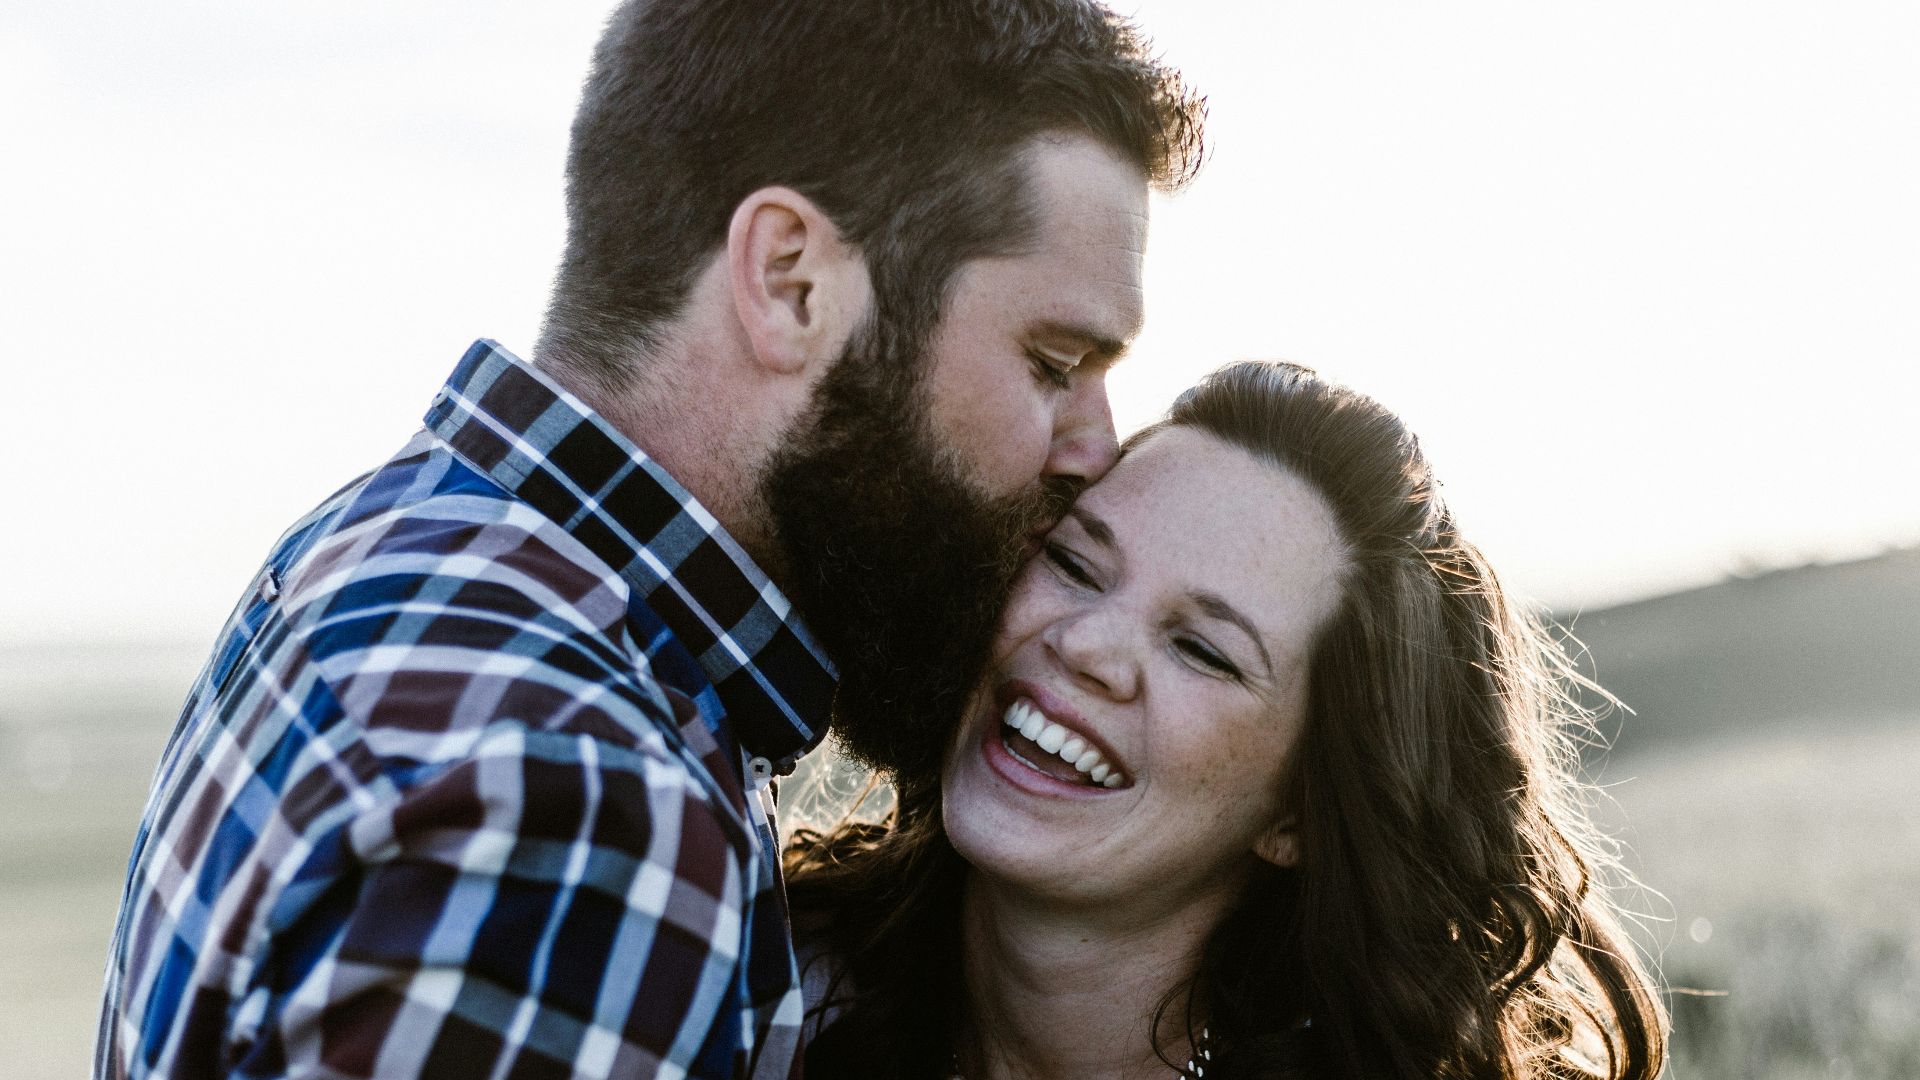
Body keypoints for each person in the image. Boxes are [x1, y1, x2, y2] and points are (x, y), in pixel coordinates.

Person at [95, 3, 1203, 1078]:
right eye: (1054, 363)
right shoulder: (582, 806)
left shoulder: (391, 543)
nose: (1093, 448)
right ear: (790, 281)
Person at [787, 362, 1670, 1079]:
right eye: (1074, 564)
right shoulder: (757, 986)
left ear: (1296, 816)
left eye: (1202, 650)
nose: (1087, 645)